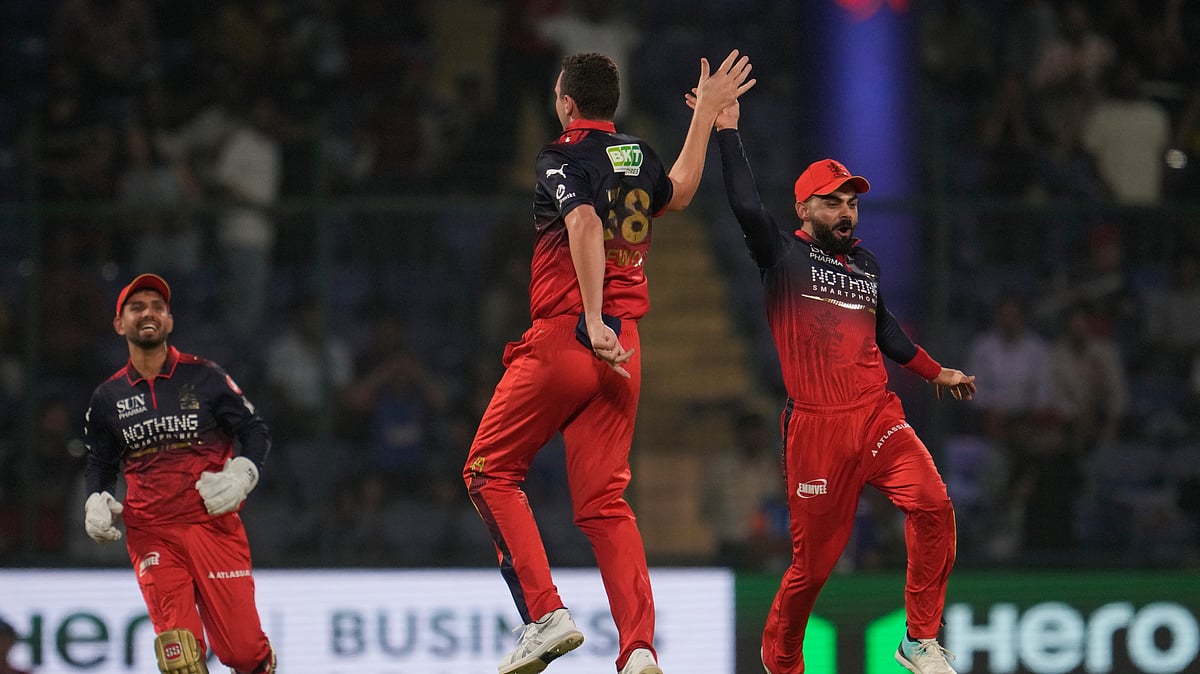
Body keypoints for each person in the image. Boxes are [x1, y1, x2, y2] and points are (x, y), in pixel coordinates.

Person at [462, 50, 755, 674]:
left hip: (572, 337)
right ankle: (640, 647)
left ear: (566, 102)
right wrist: (703, 116)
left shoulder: (558, 155)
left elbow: (586, 224)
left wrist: (590, 318)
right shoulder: (637, 153)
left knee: (489, 472)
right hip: (627, 353)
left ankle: (544, 615)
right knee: (604, 505)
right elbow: (677, 193)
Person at [707, 97, 976, 674]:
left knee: (933, 506)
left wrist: (937, 372)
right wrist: (725, 130)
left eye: (851, 202)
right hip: (817, 427)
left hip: (879, 415)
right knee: (815, 567)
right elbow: (745, 205)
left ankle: (919, 639)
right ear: (803, 208)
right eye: (832, 202)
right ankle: (781, 659)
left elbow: (888, 333)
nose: (846, 212)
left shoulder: (867, 266)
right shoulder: (779, 254)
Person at [81, 273, 276, 674]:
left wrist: (244, 474)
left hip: (212, 527)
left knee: (243, 654)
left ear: (169, 321)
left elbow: (253, 430)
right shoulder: (107, 398)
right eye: (136, 307)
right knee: (182, 659)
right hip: (152, 533)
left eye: (157, 307)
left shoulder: (205, 377)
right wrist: (95, 499)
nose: (147, 313)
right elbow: (100, 462)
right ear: (120, 324)